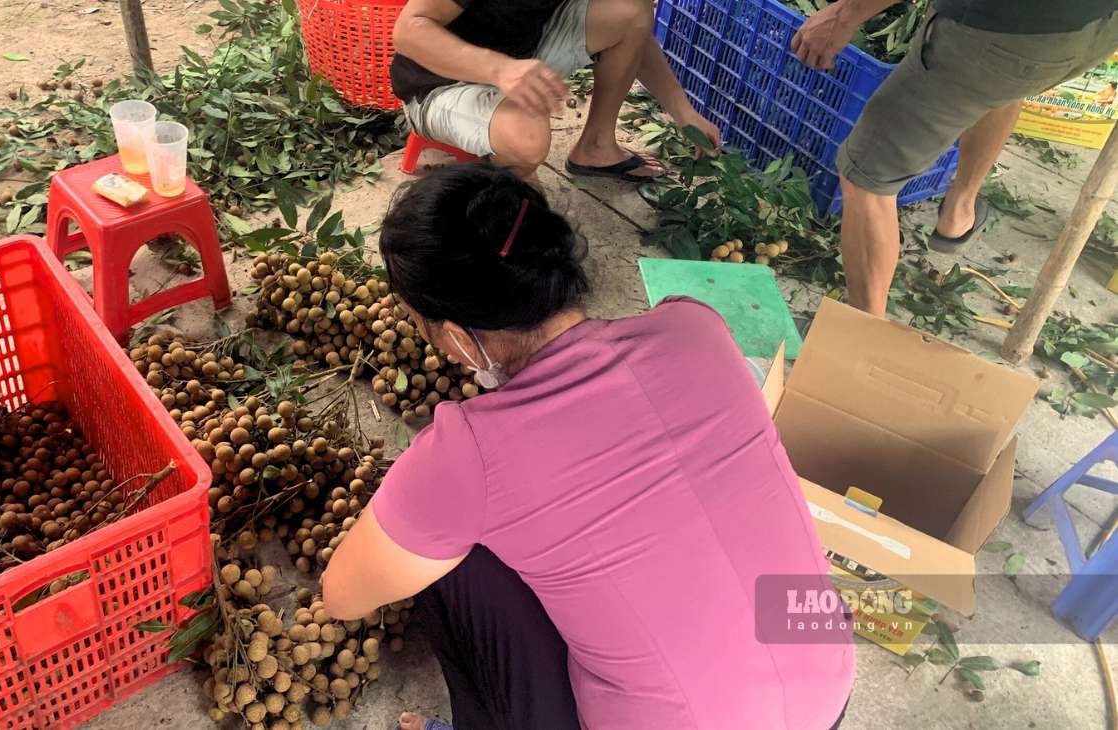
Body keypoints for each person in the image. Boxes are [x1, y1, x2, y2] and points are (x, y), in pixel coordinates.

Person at [321, 163, 855, 729]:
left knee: (447, 557)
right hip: (827, 694)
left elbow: (343, 595)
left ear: (454, 333)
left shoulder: (468, 451)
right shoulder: (696, 328)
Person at [791, 0, 1118, 317]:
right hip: (1095, 28)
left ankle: (866, 334)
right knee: (1003, 82)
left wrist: (846, 15)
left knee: (867, 174)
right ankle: (960, 211)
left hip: (1003, 30)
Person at [389, 0, 724, 182]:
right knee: (527, 139)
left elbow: (637, 33)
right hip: (438, 83)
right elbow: (409, 30)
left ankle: (596, 147)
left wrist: (684, 112)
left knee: (631, 9)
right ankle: (486, 201)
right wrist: (498, 70)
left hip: (520, 55)